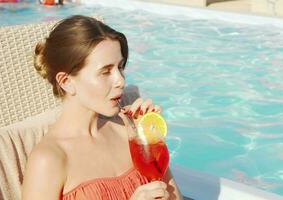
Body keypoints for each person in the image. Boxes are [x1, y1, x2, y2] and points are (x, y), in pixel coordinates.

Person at [21, 15, 183, 200]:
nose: (121, 81)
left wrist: (148, 137)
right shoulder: (50, 159)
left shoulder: (129, 133)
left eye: (120, 67)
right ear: (66, 82)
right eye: (105, 71)